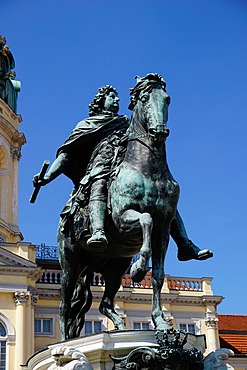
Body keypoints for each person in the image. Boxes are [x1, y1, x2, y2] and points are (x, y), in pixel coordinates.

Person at [33, 84, 213, 260]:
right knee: (99, 182)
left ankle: (184, 243)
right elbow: (66, 155)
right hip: (100, 166)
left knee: (163, 194)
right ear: (101, 101)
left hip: (125, 166)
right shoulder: (87, 124)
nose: (117, 99)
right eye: (112, 96)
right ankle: (98, 231)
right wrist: (47, 177)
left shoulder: (126, 122)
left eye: (117, 96)